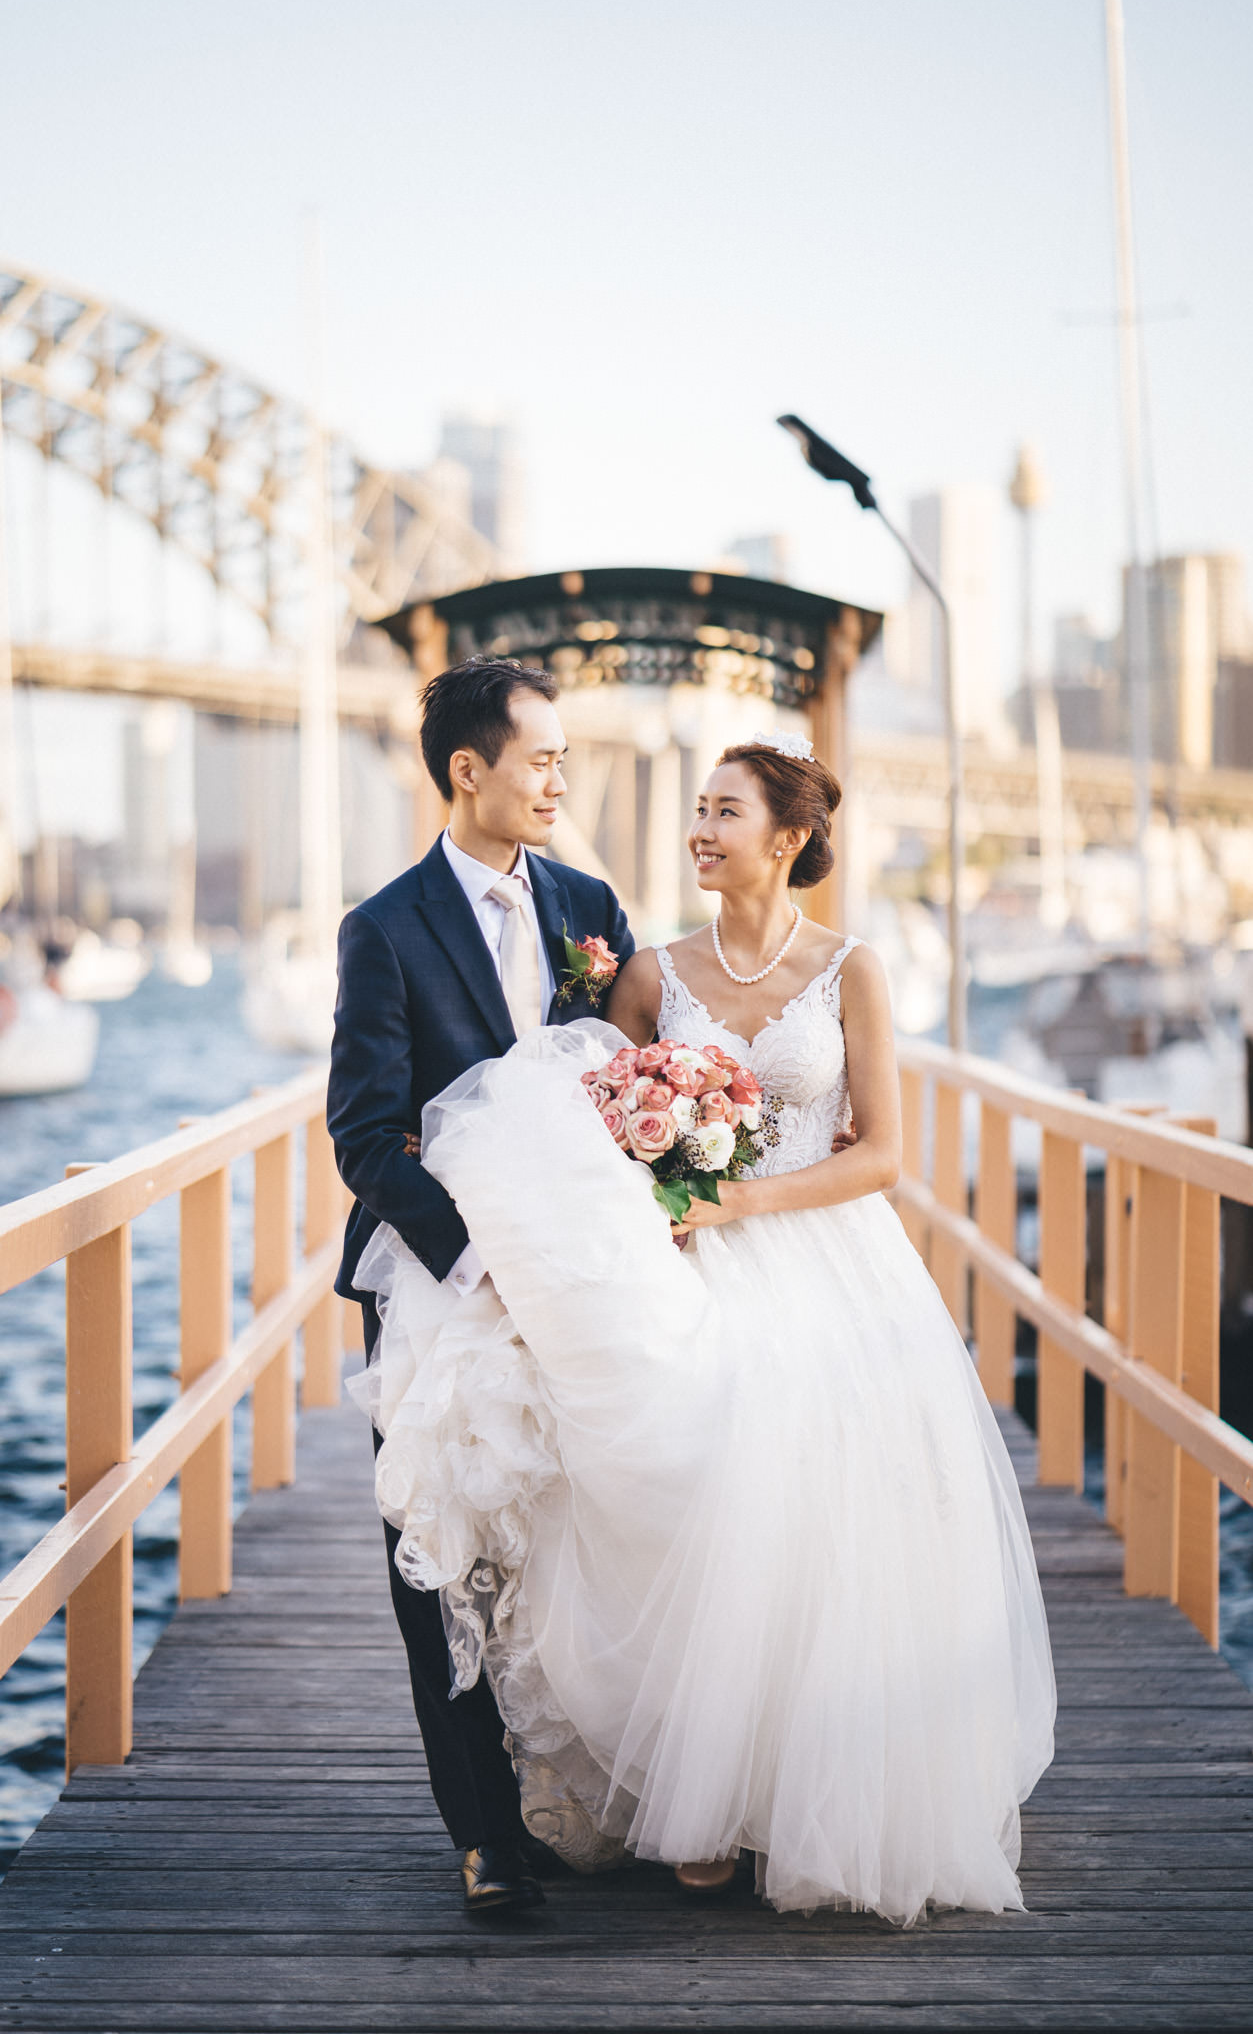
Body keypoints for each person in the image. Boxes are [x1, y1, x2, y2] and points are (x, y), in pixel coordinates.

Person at [356, 724, 1056, 1926]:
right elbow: (580, 1112)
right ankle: (672, 1801)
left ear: (788, 837)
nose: (700, 827)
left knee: (825, 1518)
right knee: (686, 1495)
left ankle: (793, 1791)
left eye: (725, 810)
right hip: (668, 1262)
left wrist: (739, 1194)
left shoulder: (853, 969)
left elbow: (884, 1150)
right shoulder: (641, 970)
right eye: (698, 806)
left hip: (823, 1257)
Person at [328, 656, 635, 1913]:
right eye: (542, 756)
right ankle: (484, 1830)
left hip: (578, 1277)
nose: (561, 777)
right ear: (471, 769)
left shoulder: (589, 903)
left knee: (580, 1532)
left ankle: (597, 1783)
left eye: (566, 756)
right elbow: (364, 1130)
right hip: (439, 1279)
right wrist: (480, 1256)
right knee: (441, 1547)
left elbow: (625, 1086)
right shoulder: (384, 927)